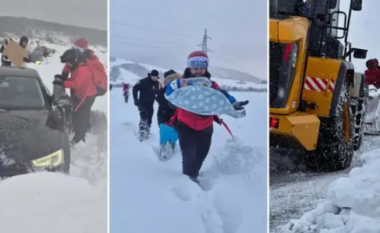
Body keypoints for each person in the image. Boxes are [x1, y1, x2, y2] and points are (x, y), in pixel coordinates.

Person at [166, 51, 248, 182]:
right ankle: (189, 180)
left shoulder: (211, 85)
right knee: (189, 154)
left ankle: (195, 172)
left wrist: (234, 103)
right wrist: (173, 95)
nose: (198, 71)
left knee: (202, 153)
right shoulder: (181, 82)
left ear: (206, 68)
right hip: (185, 124)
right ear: (189, 68)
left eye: (202, 68)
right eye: (195, 68)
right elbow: (169, 92)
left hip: (206, 125)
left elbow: (223, 95)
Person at [54, 48, 97, 145]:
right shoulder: (76, 66)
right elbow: (73, 79)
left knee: (82, 116)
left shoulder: (82, 69)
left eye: (68, 62)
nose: (67, 65)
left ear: (74, 60)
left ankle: (79, 138)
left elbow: (76, 83)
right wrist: (63, 79)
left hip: (87, 96)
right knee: (78, 114)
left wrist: (63, 83)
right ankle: (80, 130)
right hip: (81, 95)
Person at [156, 69, 180, 159]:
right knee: (164, 130)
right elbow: (159, 100)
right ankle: (163, 147)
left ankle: (172, 144)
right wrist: (162, 89)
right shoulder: (164, 88)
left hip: (176, 114)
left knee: (175, 131)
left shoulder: (180, 88)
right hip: (163, 113)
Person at [132, 69, 160, 141]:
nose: (154, 78)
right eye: (153, 76)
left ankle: (147, 131)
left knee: (149, 119)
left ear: (157, 77)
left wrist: (159, 99)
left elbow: (157, 93)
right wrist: (136, 99)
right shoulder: (143, 81)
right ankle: (141, 133)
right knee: (143, 117)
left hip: (150, 104)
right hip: (142, 103)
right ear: (150, 75)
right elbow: (135, 88)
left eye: (155, 76)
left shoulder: (157, 83)